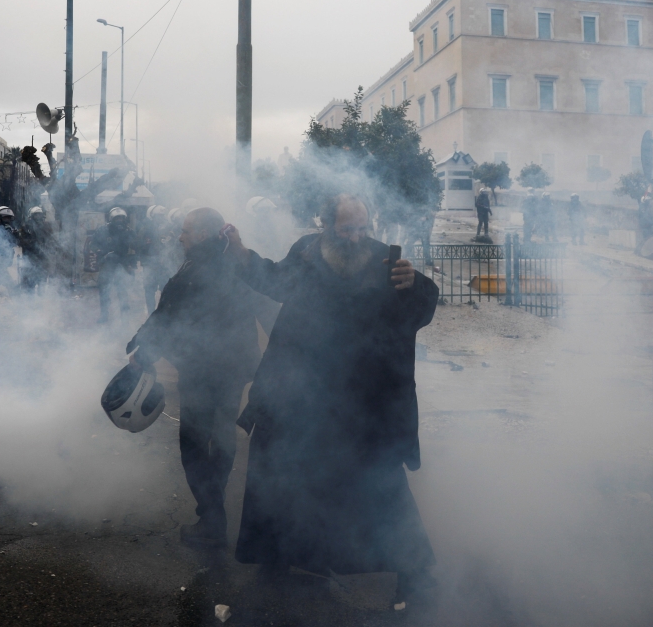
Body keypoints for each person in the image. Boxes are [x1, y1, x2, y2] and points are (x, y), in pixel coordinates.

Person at [224, 193, 438, 608]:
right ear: (326, 225)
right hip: (302, 393)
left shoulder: (386, 260)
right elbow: (274, 282)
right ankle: (277, 556)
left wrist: (415, 284)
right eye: (346, 229)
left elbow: (421, 306)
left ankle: (414, 573)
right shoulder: (305, 252)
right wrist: (240, 252)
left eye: (362, 228)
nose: (356, 237)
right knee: (283, 473)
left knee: (381, 486)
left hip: (364, 400)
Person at [129, 208, 260, 548]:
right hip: (231, 368)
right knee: (221, 436)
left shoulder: (198, 268)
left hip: (205, 370)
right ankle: (214, 507)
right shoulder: (232, 262)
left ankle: (212, 517)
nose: (180, 236)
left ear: (202, 234)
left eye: (186, 231)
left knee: (195, 443)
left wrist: (144, 347)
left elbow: (170, 313)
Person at [92, 207, 138, 323]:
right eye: (117, 218)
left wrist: (131, 265)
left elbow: (135, 249)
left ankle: (124, 316)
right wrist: (103, 255)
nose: (120, 221)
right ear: (111, 219)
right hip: (107, 264)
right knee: (104, 291)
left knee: (122, 291)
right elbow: (93, 245)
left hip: (122, 265)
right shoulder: (102, 230)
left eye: (122, 218)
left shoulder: (129, 232)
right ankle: (104, 315)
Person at [18, 206, 51, 295]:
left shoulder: (45, 226)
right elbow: (22, 241)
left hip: (42, 258)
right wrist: (32, 243)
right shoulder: (26, 226)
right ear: (32, 216)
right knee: (29, 284)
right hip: (30, 258)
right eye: (36, 215)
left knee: (41, 282)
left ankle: (39, 305)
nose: (38, 217)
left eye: (39, 215)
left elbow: (49, 240)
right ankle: (30, 304)